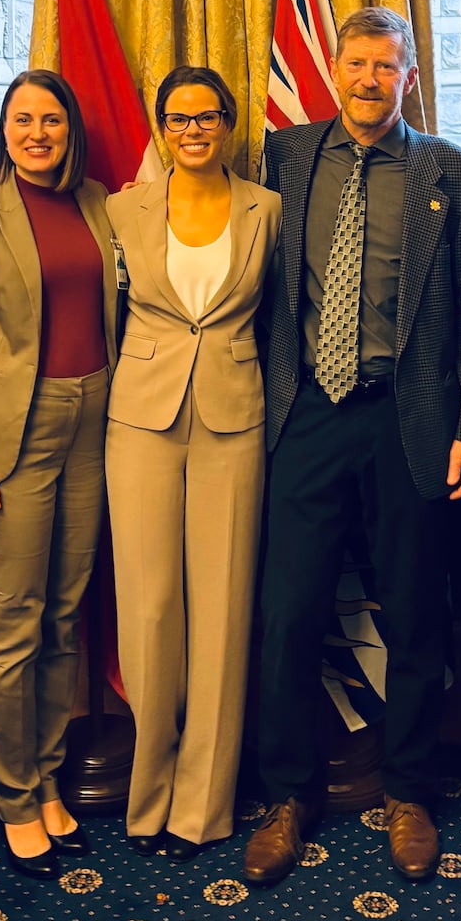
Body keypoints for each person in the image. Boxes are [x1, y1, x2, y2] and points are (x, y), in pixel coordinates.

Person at [244, 6, 461, 885]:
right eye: (355, 64)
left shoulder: (455, 175)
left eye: (386, 67)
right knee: (288, 612)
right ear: (335, 70)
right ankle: (286, 793)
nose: (367, 80)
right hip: (305, 413)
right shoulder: (285, 158)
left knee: (416, 612)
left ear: (410, 77)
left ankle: (413, 789)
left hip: (409, 417)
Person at [0, 69, 119, 881]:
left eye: (50, 118)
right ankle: (14, 797)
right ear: (3, 130)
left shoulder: (101, 201)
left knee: (65, 616)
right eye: (21, 119)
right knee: (13, 622)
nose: (36, 132)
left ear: (69, 127)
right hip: (15, 432)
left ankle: (48, 780)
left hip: (98, 422)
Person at [105, 67, 281, 862]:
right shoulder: (120, 206)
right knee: (148, 611)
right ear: (162, 126)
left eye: (208, 116)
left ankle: (202, 806)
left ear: (230, 124)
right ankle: (149, 796)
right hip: (139, 415)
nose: (194, 129)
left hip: (233, 416)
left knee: (221, 611)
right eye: (179, 118)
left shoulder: (268, 209)